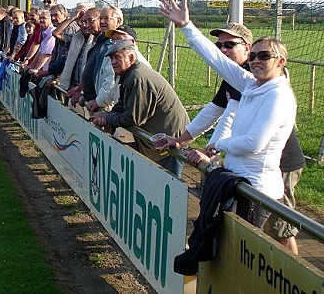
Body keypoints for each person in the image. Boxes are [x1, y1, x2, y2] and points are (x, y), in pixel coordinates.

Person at [158, 22, 305, 254]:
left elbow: (252, 141)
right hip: (243, 175)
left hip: (276, 170)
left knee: (278, 233)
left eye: (263, 56)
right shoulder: (249, 83)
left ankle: (296, 276)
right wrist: (186, 26)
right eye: (220, 45)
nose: (223, 50)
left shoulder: (274, 93)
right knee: (245, 245)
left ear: (280, 61)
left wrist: (214, 147)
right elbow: (217, 108)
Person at [92, 39, 189, 177]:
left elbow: (133, 118)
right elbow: (122, 103)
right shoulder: (129, 74)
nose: (113, 62)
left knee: (168, 181)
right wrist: (108, 115)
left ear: (131, 57)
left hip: (169, 137)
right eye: (111, 58)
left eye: (117, 57)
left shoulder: (137, 77)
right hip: (160, 135)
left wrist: (108, 118)